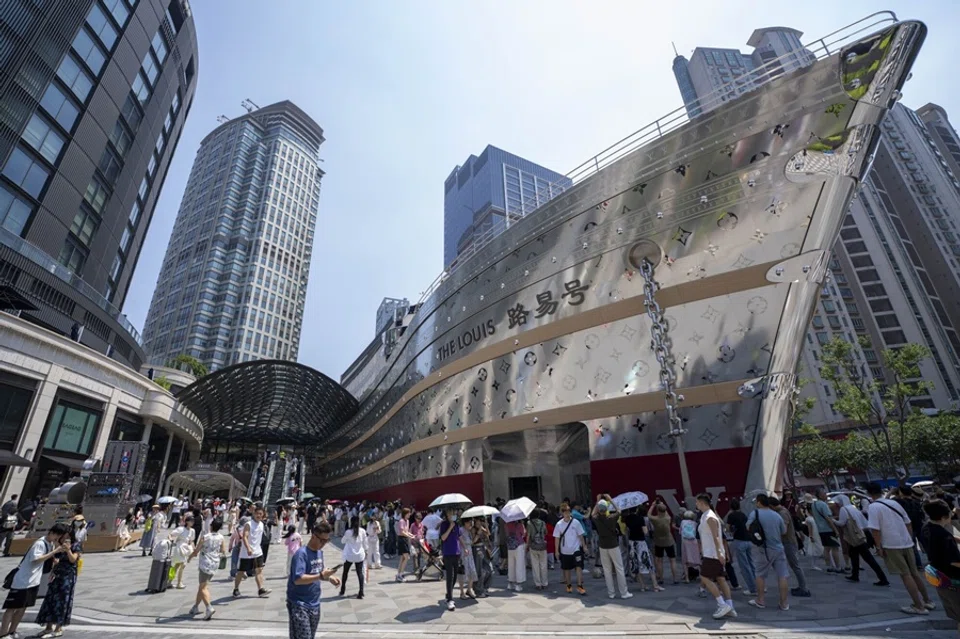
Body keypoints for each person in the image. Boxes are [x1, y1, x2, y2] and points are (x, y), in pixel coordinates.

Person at [865, 482, 934, 616]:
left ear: (869, 493)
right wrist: (908, 538)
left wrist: (878, 547)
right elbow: (907, 522)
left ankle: (918, 606)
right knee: (914, 573)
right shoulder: (894, 503)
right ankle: (928, 601)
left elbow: (875, 530)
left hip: (891, 545)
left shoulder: (873, 507)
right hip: (906, 543)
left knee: (905, 575)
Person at [0, 523, 69, 638]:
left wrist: (54, 561)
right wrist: (54, 552)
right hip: (23, 580)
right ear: (52, 532)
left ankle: (12, 631)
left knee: (22, 607)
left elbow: (45, 561)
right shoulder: (39, 544)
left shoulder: (49, 544)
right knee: (11, 608)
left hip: (33, 581)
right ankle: (3, 634)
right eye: (57, 535)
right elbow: (36, 559)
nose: (57, 538)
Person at [287, 522, 340, 639]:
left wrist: (330, 578)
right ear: (313, 536)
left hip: (315, 603)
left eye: (327, 541)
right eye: (322, 540)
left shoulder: (319, 553)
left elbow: (318, 571)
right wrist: (321, 576)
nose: (324, 544)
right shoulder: (301, 554)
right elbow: (298, 579)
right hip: (299, 603)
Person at [34, 527, 82, 638]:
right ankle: (48, 627)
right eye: (63, 536)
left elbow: (73, 560)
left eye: (68, 536)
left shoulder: (76, 545)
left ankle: (58, 628)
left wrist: (68, 549)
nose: (65, 538)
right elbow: (54, 560)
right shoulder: (57, 545)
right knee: (50, 599)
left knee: (63, 600)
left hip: (68, 576)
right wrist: (54, 563)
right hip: (56, 575)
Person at [921, 499, 960, 632]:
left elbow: (943, 540)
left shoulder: (927, 527)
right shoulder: (943, 536)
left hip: (939, 577)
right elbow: (954, 561)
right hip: (953, 579)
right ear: (944, 517)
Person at [832, 494, 888, 587]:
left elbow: (842, 523)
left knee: (868, 558)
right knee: (854, 556)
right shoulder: (853, 508)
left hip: (855, 537)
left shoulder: (843, 509)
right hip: (861, 534)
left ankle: (883, 578)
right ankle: (855, 575)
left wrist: (833, 520)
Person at [695, 493, 736, 619]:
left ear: (702, 503)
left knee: (705, 577)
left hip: (712, 553)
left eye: (697, 502)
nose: (696, 504)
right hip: (711, 552)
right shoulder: (705, 516)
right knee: (720, 579)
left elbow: (716, 536)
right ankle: (730, 606)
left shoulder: (710, 517)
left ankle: (722, 604)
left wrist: (719, 551)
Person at [746, 493, 789, 611]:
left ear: (759, 503)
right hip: (778, 547)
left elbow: (748, 527)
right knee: (782, 575)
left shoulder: (755, 513)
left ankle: (760, 600)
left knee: (760, 574)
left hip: (762, 549)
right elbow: (784, 531)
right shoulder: (776, 515)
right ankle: (784, 603)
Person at [591, 498, 631, 599]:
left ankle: (611, 593)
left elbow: (592, 514)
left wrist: (597, 502)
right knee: (619, 568)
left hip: (603, 545)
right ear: (606, 508)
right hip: (613, 544)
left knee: (607, 570)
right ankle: (624, 592)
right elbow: (619, 511)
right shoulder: (611, 518)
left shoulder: (596, 519)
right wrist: (611, 500)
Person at [187, 517, 226, 621]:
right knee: (203, 585)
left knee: (203, 587)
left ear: (211, 525)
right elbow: (223, 550)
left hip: (205, 563)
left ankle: (209, 607)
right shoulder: (221, 537)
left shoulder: (205, 537)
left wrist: (190, 557)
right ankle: (195, 607)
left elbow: (196, 550)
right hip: (214, 563)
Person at [234, 506, 271, 598]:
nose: (258, 515)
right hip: (246, 553)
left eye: (260, 514)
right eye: (257, 513)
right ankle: (236, 589)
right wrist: (248, 548)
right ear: (253, 514)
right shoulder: (249, 524)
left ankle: (261, 589)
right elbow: (245, 537)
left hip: (258, 552)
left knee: (259, 570)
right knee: (241, 572)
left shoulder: (261, 524)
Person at [725, 498, 756, 596]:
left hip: (739, 541)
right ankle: (758, 585)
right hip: (748, 540)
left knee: (744, 566)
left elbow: (727, 528)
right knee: (751, 564)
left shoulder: (731, 515)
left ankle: (752, 589)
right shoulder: (743, 515)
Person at [554, 504, 587, 595]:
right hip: (565, 549)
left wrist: (584, 546)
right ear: (562, 513)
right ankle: (569, 585)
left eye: (568, 512)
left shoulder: (576, 522)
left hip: (576, 548)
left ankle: (580, 585)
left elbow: (581, 535)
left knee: (579, 566)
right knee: (567, 568)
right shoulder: (559, 524)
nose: (567, 514)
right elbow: (556, 538)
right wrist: (556, 550)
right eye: (565, 512)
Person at [812, 488, 843, 572]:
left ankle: (829, 566)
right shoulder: (823, 505)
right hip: (828, 529)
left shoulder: (813, 504)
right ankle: (838, 567)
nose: (826, 495)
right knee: (835, 548)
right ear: (820, 495)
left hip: (821, 530)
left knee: (826, 548)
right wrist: (835, 530)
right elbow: (828, 518)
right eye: (824, 494)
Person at [339, 516, 366, 599]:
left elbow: (342, 541)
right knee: (360, 573)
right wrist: (366, 551)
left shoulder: (348, 532)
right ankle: (361, 591)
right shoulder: (362, 531)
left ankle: (343, 589)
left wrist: (348, 540)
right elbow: (365, 543)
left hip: (350, 555)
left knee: (345, 572)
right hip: (359, 555)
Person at [169, 514, 196, 590]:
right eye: (191, 521)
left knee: (177, 566)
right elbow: (171, 534)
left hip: (186, 549)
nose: (192, 522)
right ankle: (179, 583)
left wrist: (194, 550)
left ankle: (170, 581)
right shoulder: (181, 529)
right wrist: (170, 540)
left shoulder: (192, 531)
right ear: (187, 522)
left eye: (193, 521)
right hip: (179, 547)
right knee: (182, 565)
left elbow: (191, 541)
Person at [526, 510, 549, 591]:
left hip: (533, 546)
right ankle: (544, 583)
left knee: (535, 565)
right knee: (543, 564)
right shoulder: (543, 523)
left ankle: (538, 584)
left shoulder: (529, 523)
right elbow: (546, 532)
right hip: (542, 546)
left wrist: (527, 545)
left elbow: (528, 535)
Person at [505, 516, 527, 592]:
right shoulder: (520, 525)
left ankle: (510, 583)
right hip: (519, 545)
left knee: (511, 565)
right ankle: (518, 584)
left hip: (510, 545)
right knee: (519, 564)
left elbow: (507, 533)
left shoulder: (507, 524)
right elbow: (523, 534)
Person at [395, 508, 413, 582]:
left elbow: (406, 531)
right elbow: (402, 532)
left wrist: (411, 535)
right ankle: (401, 575)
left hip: (405, 539)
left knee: (403, 558)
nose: (409, 514)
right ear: (405, 513)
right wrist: (409, 536)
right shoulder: (401, 521)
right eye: (408, 513)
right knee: (406, 557)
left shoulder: (407, 521)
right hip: (401, 539)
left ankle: (399, 574)